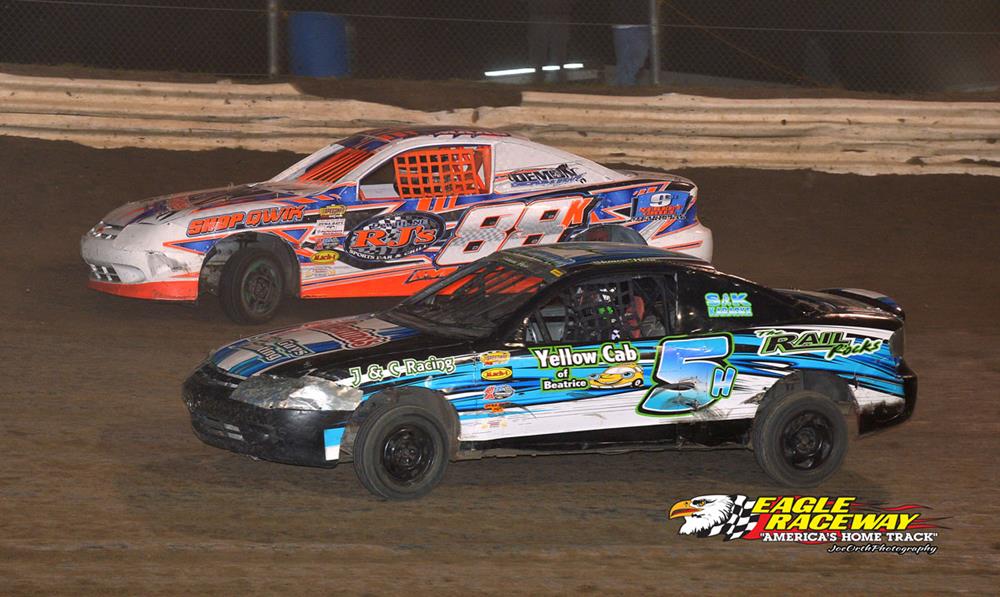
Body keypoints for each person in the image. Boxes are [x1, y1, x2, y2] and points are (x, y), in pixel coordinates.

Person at [527, 0, 573, 83]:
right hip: (539, 14)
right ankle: (538, 75)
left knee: (560, 47)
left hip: (560, 15)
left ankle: (560, 76)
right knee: (539, 47)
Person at [611, 0, 651, 86]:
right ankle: (624, 84)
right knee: (625, 59)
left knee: (639, 58)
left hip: (643, 23)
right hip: (624, 23)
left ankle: (626, 83)